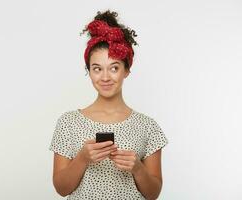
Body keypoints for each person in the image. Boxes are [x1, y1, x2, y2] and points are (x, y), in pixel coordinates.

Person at [49, 10, 169, 199]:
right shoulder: (68, 122)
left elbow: (153, 193)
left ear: (126, 70)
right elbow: (61, 189)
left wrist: (138, 168)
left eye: (114, 68)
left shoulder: (148, 126)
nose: (105, 77)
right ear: (89, 71)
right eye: (97, 69)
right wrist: (82, 158)